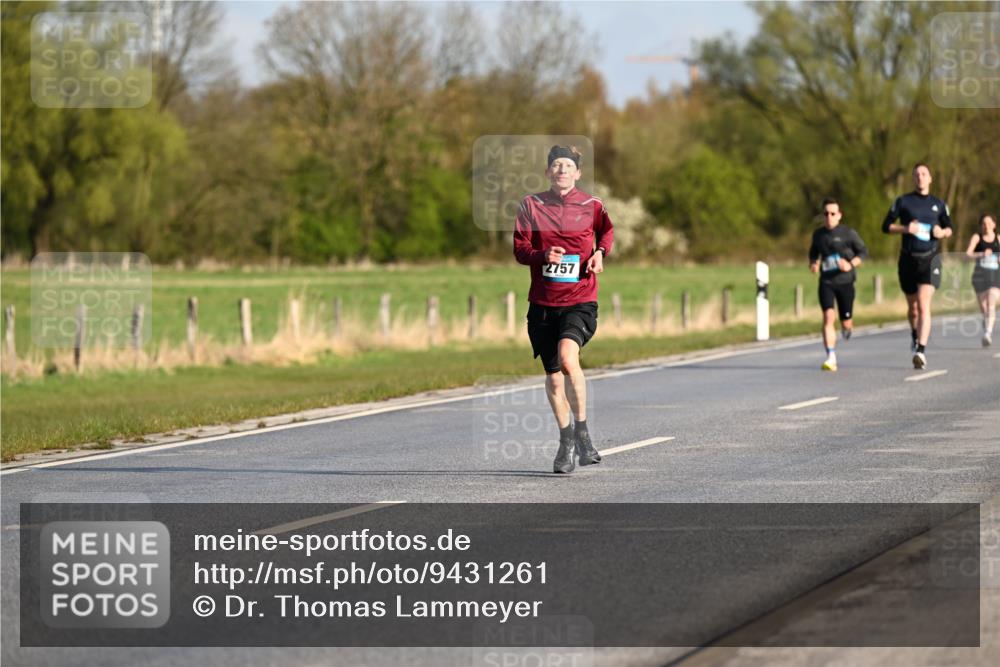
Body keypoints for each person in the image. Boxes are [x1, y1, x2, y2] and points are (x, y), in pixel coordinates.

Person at [513, 145, 614, 474]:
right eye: (556, 165)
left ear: (578, 173)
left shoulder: (592, 205)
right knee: (554, 380)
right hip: (543, 305)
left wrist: (600, 252)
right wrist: (543, 256)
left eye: (568, 165)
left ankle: (583, 431)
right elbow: (520, 248)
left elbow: (607, 232)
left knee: (570, 360)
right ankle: (566, 439)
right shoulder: (531, 205)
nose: (561, 170)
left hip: (580, 299)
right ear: (547, 172)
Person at [882, 163, 953, 369]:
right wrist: (905, 228)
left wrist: (942, 232)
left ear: (930, 178)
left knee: (923, 304)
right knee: (913, 308)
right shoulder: (903, 201)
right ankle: (914, 334)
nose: (920, 177)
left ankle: (921, 351)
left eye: (924, 174)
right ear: (913, 179)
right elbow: (885, 226)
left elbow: (950, 228)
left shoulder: (939, 204)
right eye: (917, 175)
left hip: (930, 259)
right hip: (908, 259)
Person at [809, 197, 868, 371]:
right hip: (826, 281)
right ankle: (831, 356)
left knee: (846, 322)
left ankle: (847, 327)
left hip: (845, 282)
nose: (829, 217)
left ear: (839, 215)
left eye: (832, 213)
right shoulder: (818, 235)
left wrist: (850, 264)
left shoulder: (848, 233)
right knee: (828, 317)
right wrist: (814, 264)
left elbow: (863, 251)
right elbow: (813, 253)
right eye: (826, 213)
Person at [965, 212, 999, 347]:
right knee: (984, 307)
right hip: (980, 275)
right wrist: (981, 254)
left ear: (994, 225)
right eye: (984, 224)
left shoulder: (998, 239)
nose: (987, 226)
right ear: (981, 226)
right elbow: (967, 254)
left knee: (991, 302)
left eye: (989, 224)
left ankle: (988, 333)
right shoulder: (977, 238)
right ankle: (987, 324)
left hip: (995, 275)